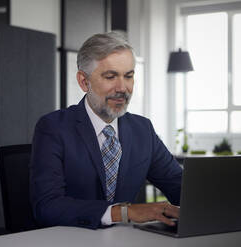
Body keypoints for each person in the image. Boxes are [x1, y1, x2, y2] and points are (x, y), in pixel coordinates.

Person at [30, 31, 182, 229]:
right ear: (84, 82)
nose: (122, 88)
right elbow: (47, 206)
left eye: (128, 76)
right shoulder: (53, 128)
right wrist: (124, 212)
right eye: (111, 77)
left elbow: (180, 187)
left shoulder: (142, 130)